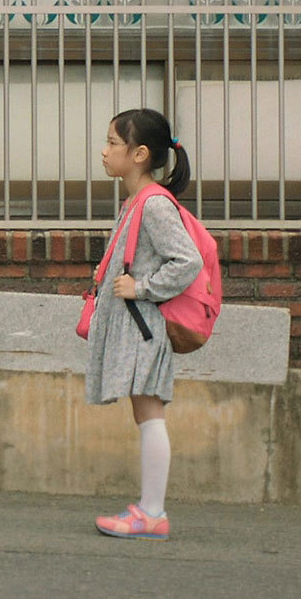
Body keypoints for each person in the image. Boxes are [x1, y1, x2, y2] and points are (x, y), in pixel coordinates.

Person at [86, 108, 200, 541]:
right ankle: (149, 510)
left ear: (139, 154)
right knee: (145, 412)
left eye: (113, 143)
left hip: (145, 327)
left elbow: (186, 260)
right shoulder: (137, 201)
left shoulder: (153, 204)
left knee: (150, 414)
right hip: (138, 326)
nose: (105, 150)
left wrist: (143, 287)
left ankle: (152, 513)